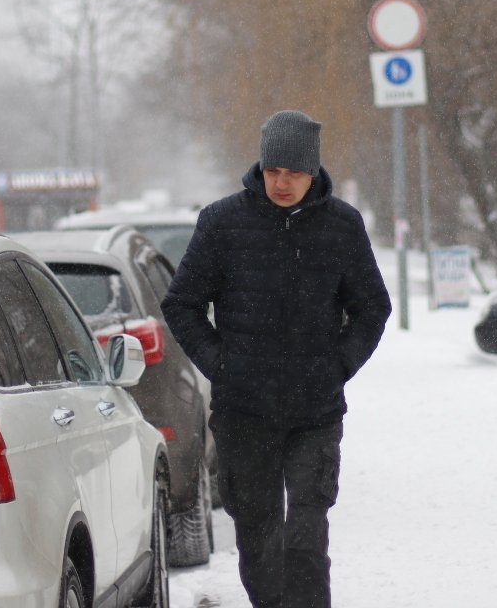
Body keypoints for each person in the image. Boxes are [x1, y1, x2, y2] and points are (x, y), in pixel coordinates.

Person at [161, 109, 392, 608]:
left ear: (312, 172)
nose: (281, 182)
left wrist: (339, 366)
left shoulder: (342, 227)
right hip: (244, 414)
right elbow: (181, 303)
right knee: (259, 542)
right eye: (272, 171)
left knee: (306, 538)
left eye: (292, 172)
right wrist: (221, 365)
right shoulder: (223, 223)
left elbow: (373, 306)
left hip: (315, 412)